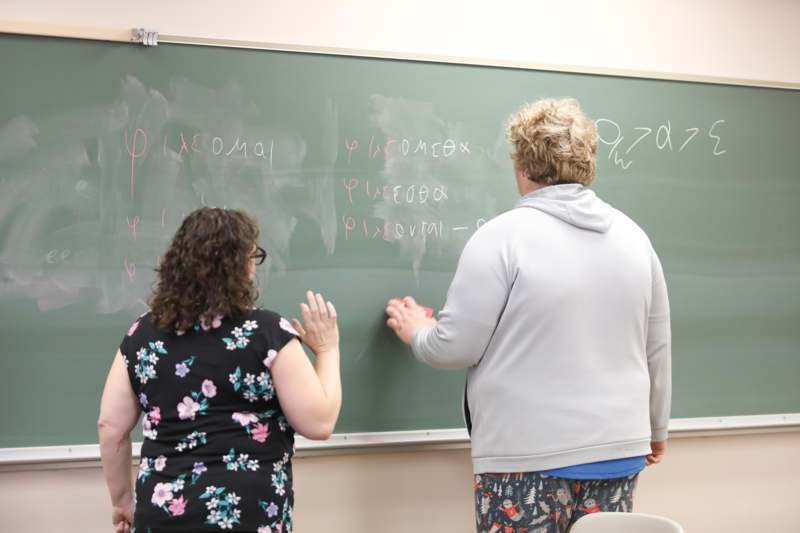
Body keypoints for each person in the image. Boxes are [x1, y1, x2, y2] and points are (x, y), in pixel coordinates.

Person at [385, 98, 671, 533]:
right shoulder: (634, 237)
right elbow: (657, 346)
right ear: (588, 162)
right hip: (619, 448)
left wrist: (417, 330)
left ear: (521, 163)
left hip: (527, 456)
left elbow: (455, 346)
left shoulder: (502, 237)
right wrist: (657, 427)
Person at [98, 207, 341, 533]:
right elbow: (319, 422)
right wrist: (327, 349)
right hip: (249, 513)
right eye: (253, 257)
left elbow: (110, 427)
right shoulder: (267, 332)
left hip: (164, 512)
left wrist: (122, 502)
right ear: (239, 267)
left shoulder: (141, 334)